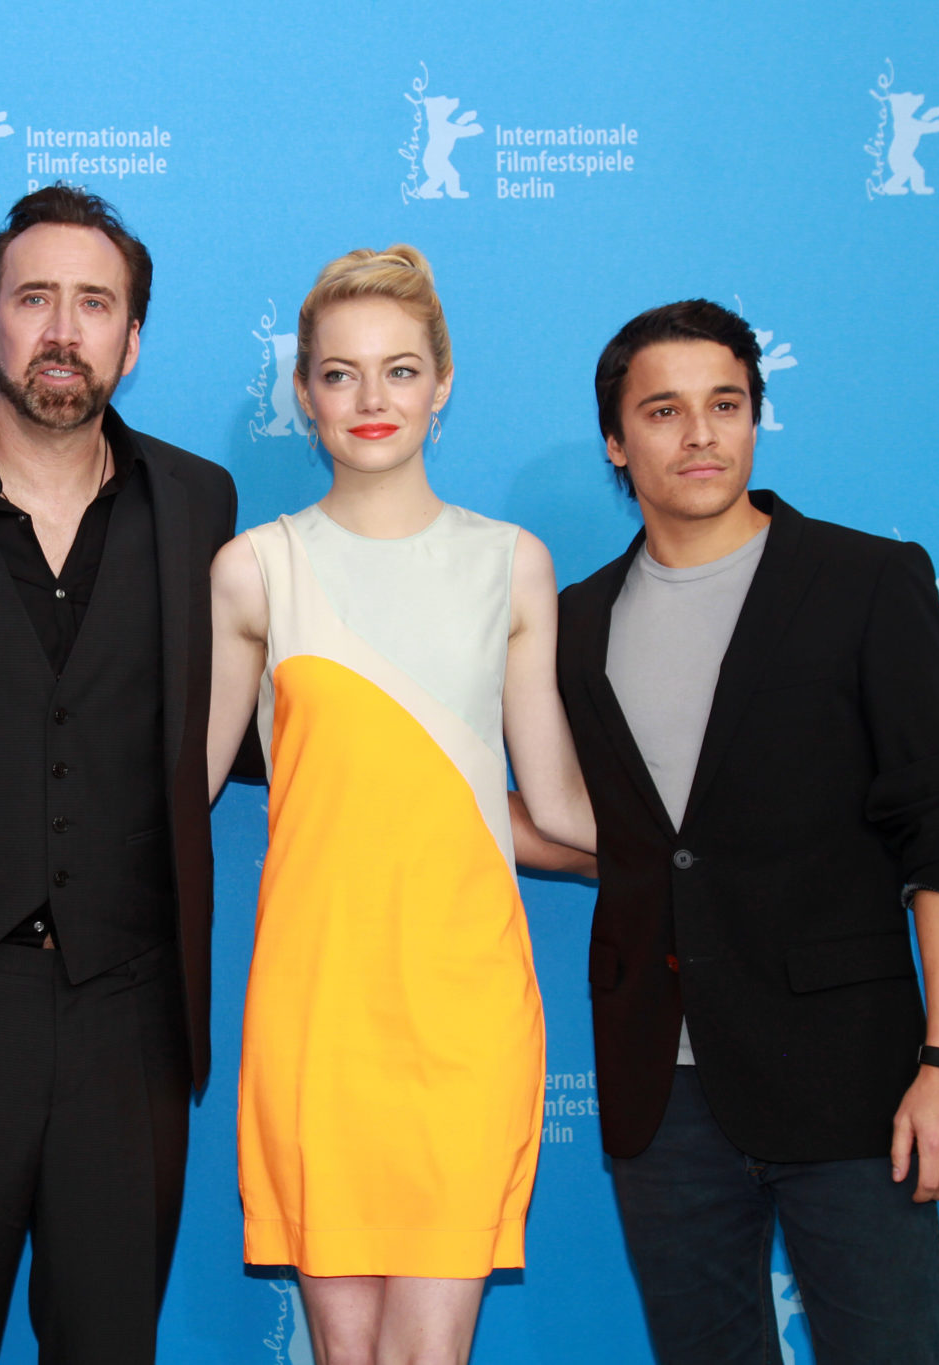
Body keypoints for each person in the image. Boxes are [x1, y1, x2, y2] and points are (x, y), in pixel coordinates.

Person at [531, 299, 939, 1365]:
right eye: (663, 410)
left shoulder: (865, 581)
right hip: (662, 1092)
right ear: (616, 441)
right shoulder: (574, 621)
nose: (699, 434)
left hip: (854, 1082)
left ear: (754, 418)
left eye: (726, 404)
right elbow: (608, 836)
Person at [0, 184, 241, 1363]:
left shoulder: (198, 503)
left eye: (94, 303)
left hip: (128, 1014)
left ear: (133, 339)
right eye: (33, 299)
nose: (62, 331)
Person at [205, 245, 595, 1365]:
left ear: (442, 382)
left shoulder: (511, 564)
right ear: (304, 393)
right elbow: (180, 794)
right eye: (339, 373)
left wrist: (720, 847)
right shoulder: (255, 569)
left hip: (464, 1002)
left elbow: (558, 805)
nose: (370, 398)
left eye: (399, 369)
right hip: (318, 1001)